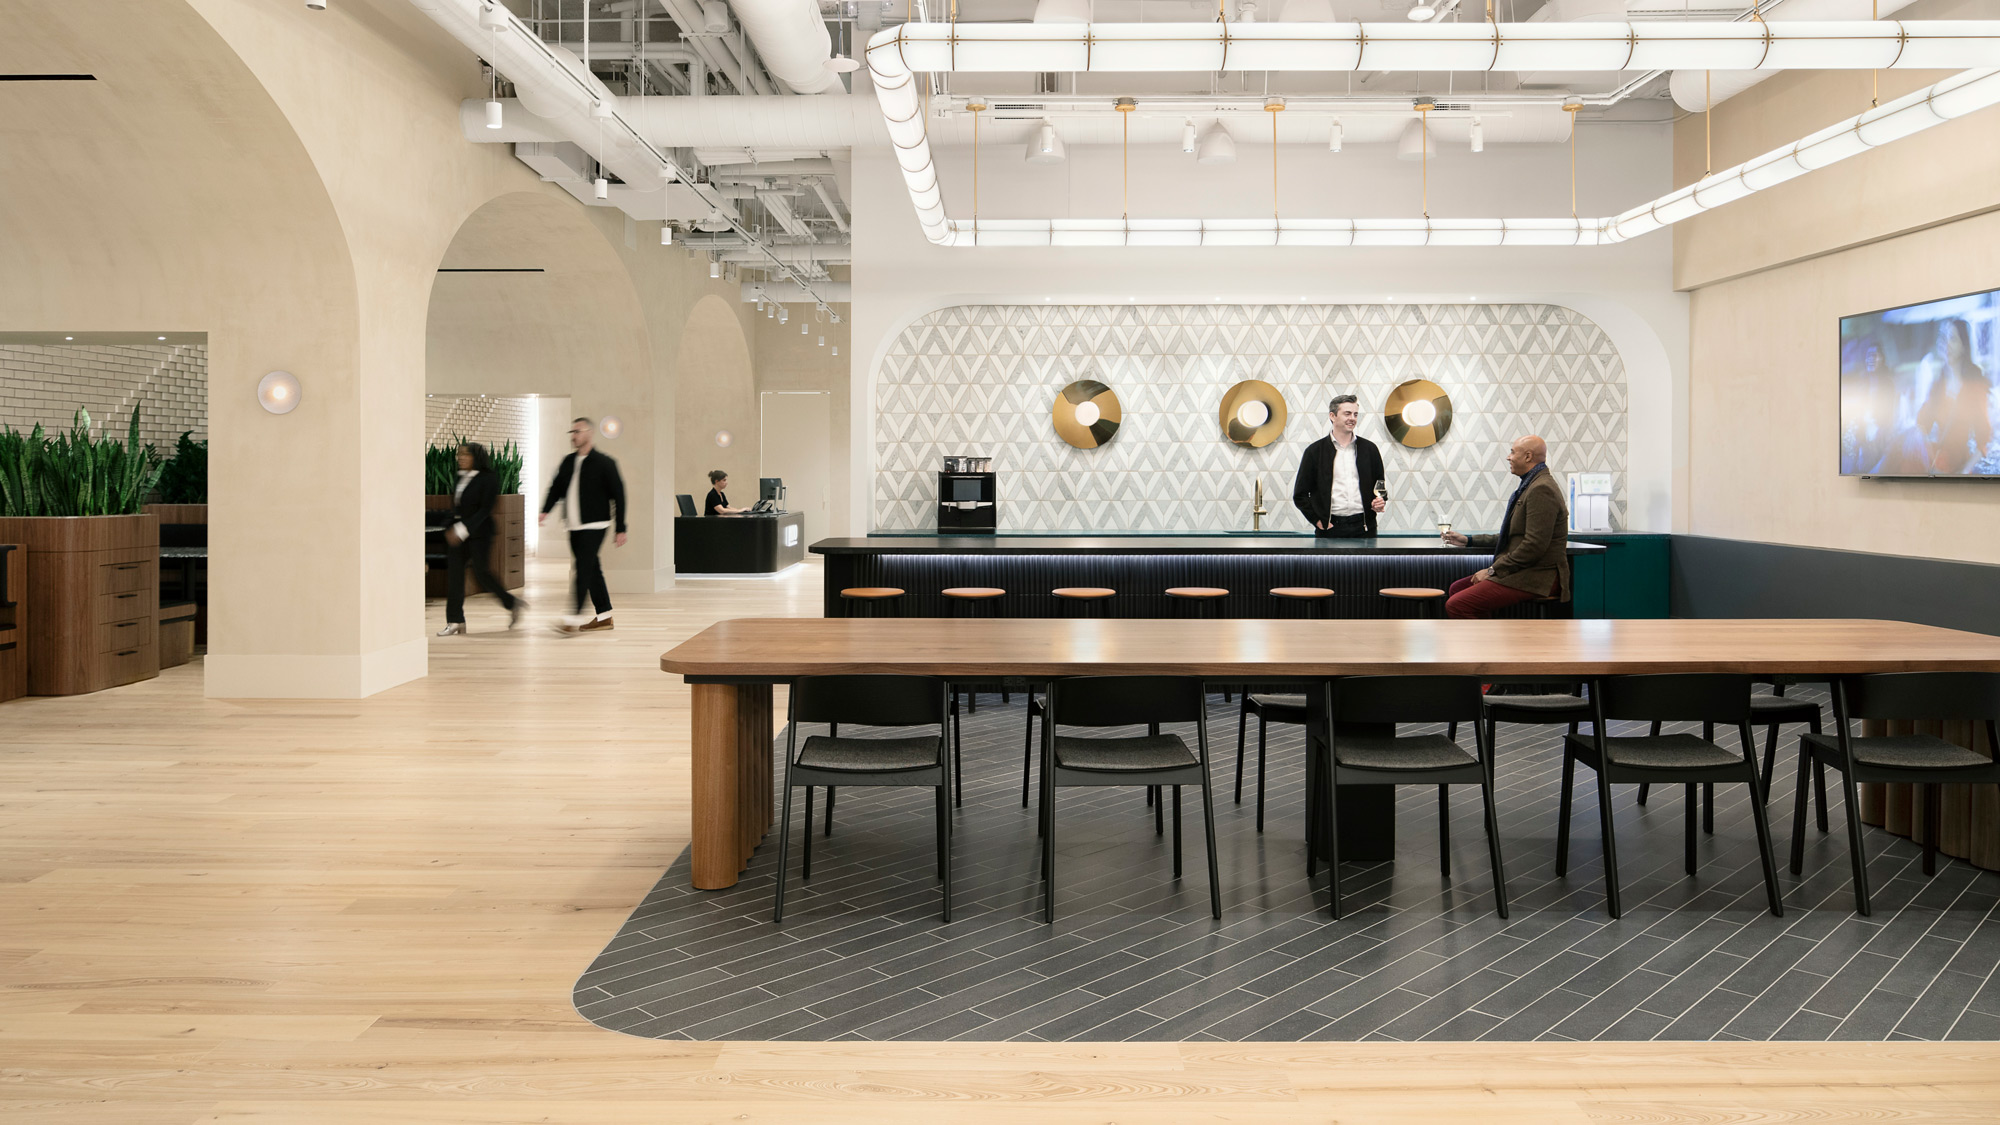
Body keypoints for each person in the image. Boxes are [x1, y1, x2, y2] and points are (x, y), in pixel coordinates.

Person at [1441, 435, 1568, 619]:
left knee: (1457, 605)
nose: (1508, 457)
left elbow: (1533, 546)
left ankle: (1488, 647)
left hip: (1537, 577)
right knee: (1457, 589)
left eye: (1512, 452)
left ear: (1528, 456)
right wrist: (1468, 540)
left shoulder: (1541, 489)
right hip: (1524, 572)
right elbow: (1512, 536)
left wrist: (1493, 570)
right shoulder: (1531, 485)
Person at [539, 417, 627, 634]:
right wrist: (545, 510)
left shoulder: (605, 463)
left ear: (589, 433)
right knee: (591, 569)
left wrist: (620, 527)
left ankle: (571, 618)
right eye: (572, 432)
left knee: (582, 570)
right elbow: (556, 488)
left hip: (596, 525)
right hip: (574, 526)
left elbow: (619, 495)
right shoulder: (568, 462)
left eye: (577, 431)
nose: (574, 436)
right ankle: (605, 616)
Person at [437, 442, 524, 636]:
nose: (460, 458)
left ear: (476, 457)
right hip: (457, 534)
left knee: (482, 574)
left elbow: (485, 510)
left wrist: (463, 529)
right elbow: (457, 507)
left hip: (480, 533)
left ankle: (511, 603)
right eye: (459, 455)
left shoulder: (489, 478)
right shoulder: (459, 476)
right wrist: (450, 525)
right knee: (455, 578)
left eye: (465, 455)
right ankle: (455, 621)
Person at [1292, 393, 1387, 539]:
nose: (1352, 418)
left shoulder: (1370, 449)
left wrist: (1379, 502)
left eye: (1355, 414)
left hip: (1365, 527)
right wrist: (1317, 520)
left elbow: (1380, 488)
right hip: (1330, 528)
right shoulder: (1314, 451)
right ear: (1332, 416)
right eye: (1347, 413)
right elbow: (1300, 495)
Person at [1915, 318, 1993, 474]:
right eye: (1942, 337)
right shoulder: (1937, 385)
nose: (1945, 343)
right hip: (1936, 461)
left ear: (1963, 346)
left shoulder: (1974, 385)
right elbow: (1922, 424)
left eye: (1952, 338)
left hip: (1959, 466)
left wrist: (1964, 472)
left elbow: (1984, 438)